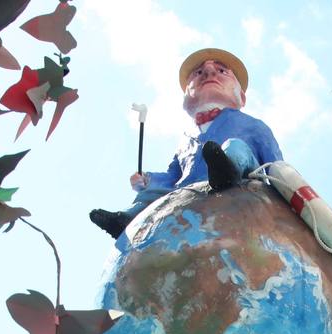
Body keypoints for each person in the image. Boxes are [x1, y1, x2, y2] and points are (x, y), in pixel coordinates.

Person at [88, 48, 283, 239]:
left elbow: (278, 169)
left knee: (235, 147)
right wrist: (148, 180)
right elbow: (173, 175)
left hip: (244, 187)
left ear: (241, 96)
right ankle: (127, 219)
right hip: (189, 194)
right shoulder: (185, 139)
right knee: (153, 196)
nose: (208, 72)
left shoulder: (254, 126)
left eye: (222, 71)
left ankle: (227, 171)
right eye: (198, 73)